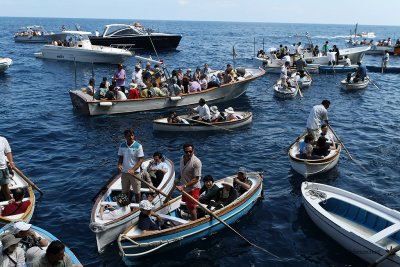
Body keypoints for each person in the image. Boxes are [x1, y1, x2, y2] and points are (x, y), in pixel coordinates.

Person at [117, 129, 144, 203]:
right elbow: (121, 157)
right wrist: (119, 165)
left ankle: (138, 205)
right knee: (125, 191)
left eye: (132, 135)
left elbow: (141, 160)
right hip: (125, 172)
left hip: (135, 173)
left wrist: (133, 169)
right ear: (125, 137)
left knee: (137, 191)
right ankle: (126, 204)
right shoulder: (122, 145)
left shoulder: (138, 146)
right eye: (129, 136)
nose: (131, 137)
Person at [176, 143, 202, 221]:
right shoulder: (182, 158)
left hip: (193, 189)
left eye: (190, 151)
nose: (189, 153)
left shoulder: (196, 162)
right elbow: (182, 171)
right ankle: (193, 216)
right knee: (188, 205)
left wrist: (183, 186)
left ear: (193, 151)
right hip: (185, 188)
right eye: (186, 152)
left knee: (191, 207)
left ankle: (195, 223)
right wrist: (178, 179)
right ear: (184, 152)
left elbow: (196, 179)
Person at [0, 136, 14, 200]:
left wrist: (11, 162)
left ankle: (8, 200)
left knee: (5, 186)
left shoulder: (3, 140)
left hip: (2, 168)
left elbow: (8, 152)